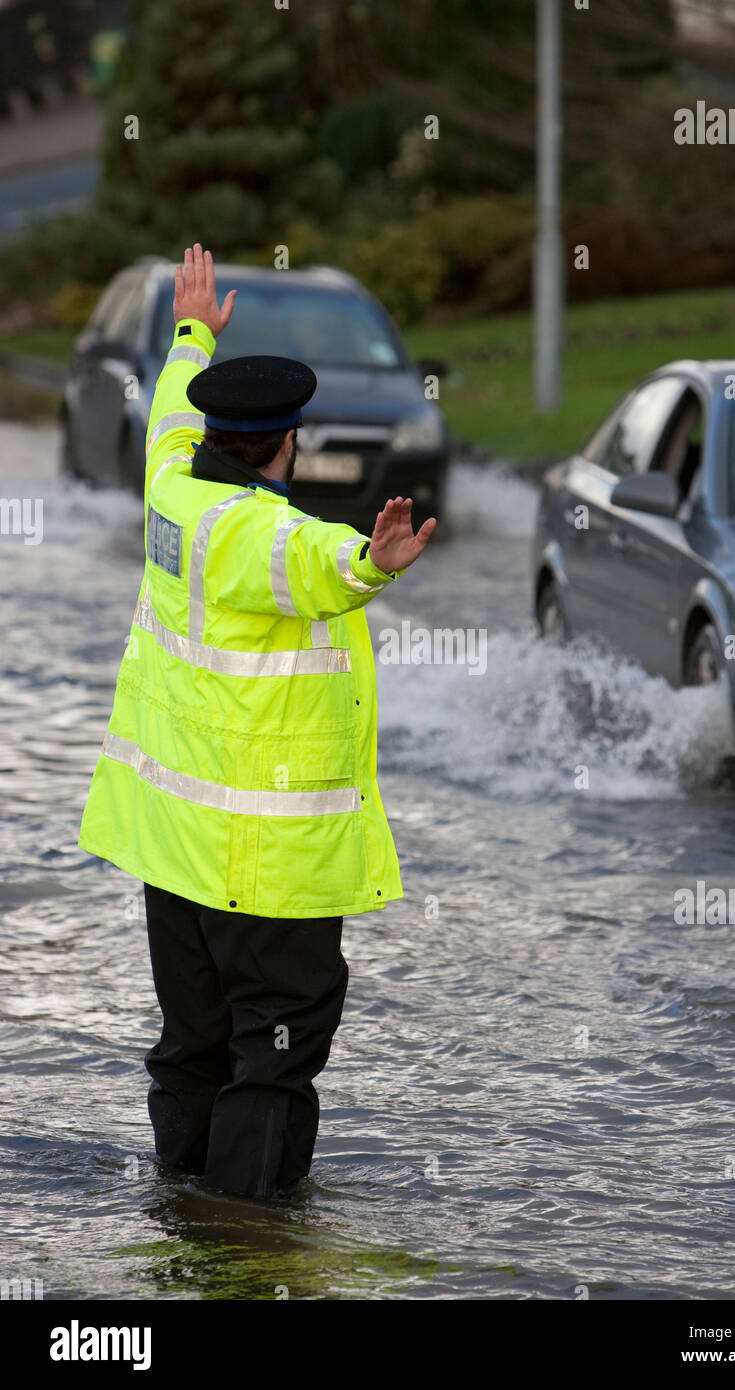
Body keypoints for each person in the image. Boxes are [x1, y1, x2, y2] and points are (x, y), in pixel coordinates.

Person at [78, 243, 435, 1200]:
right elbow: (319, 559)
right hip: (268, 870)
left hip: (175, 853)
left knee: (193, 1046)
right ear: (287, 444)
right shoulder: (265, 534)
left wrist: (191, 335)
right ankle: (249, 1248)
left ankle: (179, 1217)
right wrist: (375, 560)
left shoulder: (168, 491)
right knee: (274, 1060)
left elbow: (163, 414)